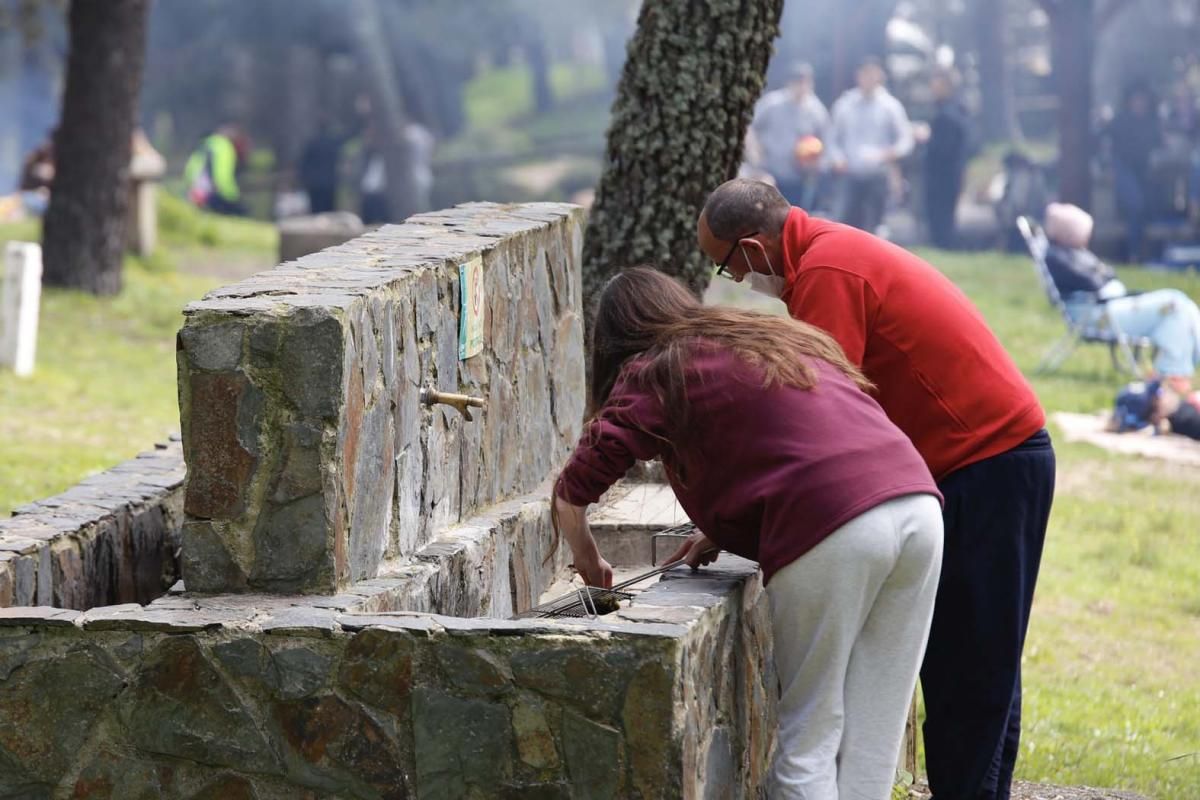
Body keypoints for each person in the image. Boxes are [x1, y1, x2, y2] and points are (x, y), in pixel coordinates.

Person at [698, 178, 1056, 800]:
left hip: (988, 460)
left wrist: (737, 509)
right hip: (976, 464)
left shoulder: (825, 275)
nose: (736, 282)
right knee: (974, 662)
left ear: (753, 248)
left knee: (969, 668)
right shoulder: (826, 255)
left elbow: (823, 421)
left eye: (727, 268)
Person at [553, 266, 944, 799]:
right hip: (917, 506)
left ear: (616, 341)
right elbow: (786, 435)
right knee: (873, 730)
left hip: (833, 523)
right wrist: (723, 530)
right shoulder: (757, 335)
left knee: (810, 731)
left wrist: (588, 562)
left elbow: (576, 486)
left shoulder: (658, 365)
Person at [1043, 202, 1200, 392]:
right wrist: (1100, 272)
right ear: (1068, 233)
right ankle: (1171, 372)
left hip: (1113, 305)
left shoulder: (1077, 253)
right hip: (1099, 313)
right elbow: (1093, 281)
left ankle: (1177, 368)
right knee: (1173, 305)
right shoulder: (1057, 257)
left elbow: (1107, 274)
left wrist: (1101, 272)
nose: (1086, 238)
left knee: (1183, 303)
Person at [827, 57, 914, 234]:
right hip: (850, 173)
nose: (868, 79)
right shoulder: (845, 104)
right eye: (864, 74)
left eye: (872, 74)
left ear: (880, 76)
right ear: (858, 76)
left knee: (876, 225)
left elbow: (906, 139)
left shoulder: (891, 106)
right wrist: (837, 158)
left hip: (878, 174)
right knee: (847, 223)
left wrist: (890, 153)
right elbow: (832, 138)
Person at [748, 62, 830, 210]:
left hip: (799, 175)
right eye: (797, 82)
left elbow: (825, 140)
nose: (801, 87)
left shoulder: (816, 110)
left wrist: (815, 160)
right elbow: (751, 127)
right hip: (770, 171)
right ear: (789, 83)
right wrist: (754, 154)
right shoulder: (772, 103)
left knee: (793, 214)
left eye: (805, 82)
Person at [1105, 82, 1164, 261]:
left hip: (1143, 173)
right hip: (1123, 170)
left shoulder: (1151, 123)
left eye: (1143, 99)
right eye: (1137, 99)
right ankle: (1133, 253)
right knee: (1136, 204)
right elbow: (1108, 144)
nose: (1140, 103)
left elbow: (1159, 146)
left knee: (1149, 207)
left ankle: (1149, 254)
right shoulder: (1120, 121)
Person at [923, 67, 971, 249]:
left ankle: (944, 244)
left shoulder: (949, 113)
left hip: (944, 173)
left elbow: (945, 146)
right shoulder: (954, 109)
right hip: (949, 171)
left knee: (941, 213)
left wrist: (928, 140)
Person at [183, 124, 249, 216]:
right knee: (242, 212)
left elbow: (190, 170)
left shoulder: (205, 144)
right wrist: (233, 196)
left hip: (195, 193)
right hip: (212, 195)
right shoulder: (223, 146)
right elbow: (222, 176)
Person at [299, 117, 353, 214]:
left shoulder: (312, 143)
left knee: (316, 211)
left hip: (314, 184)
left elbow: (303, 164)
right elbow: (349, 136)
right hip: (329, 183)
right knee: (329, 212)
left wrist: (305, 180)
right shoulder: (333, 142)